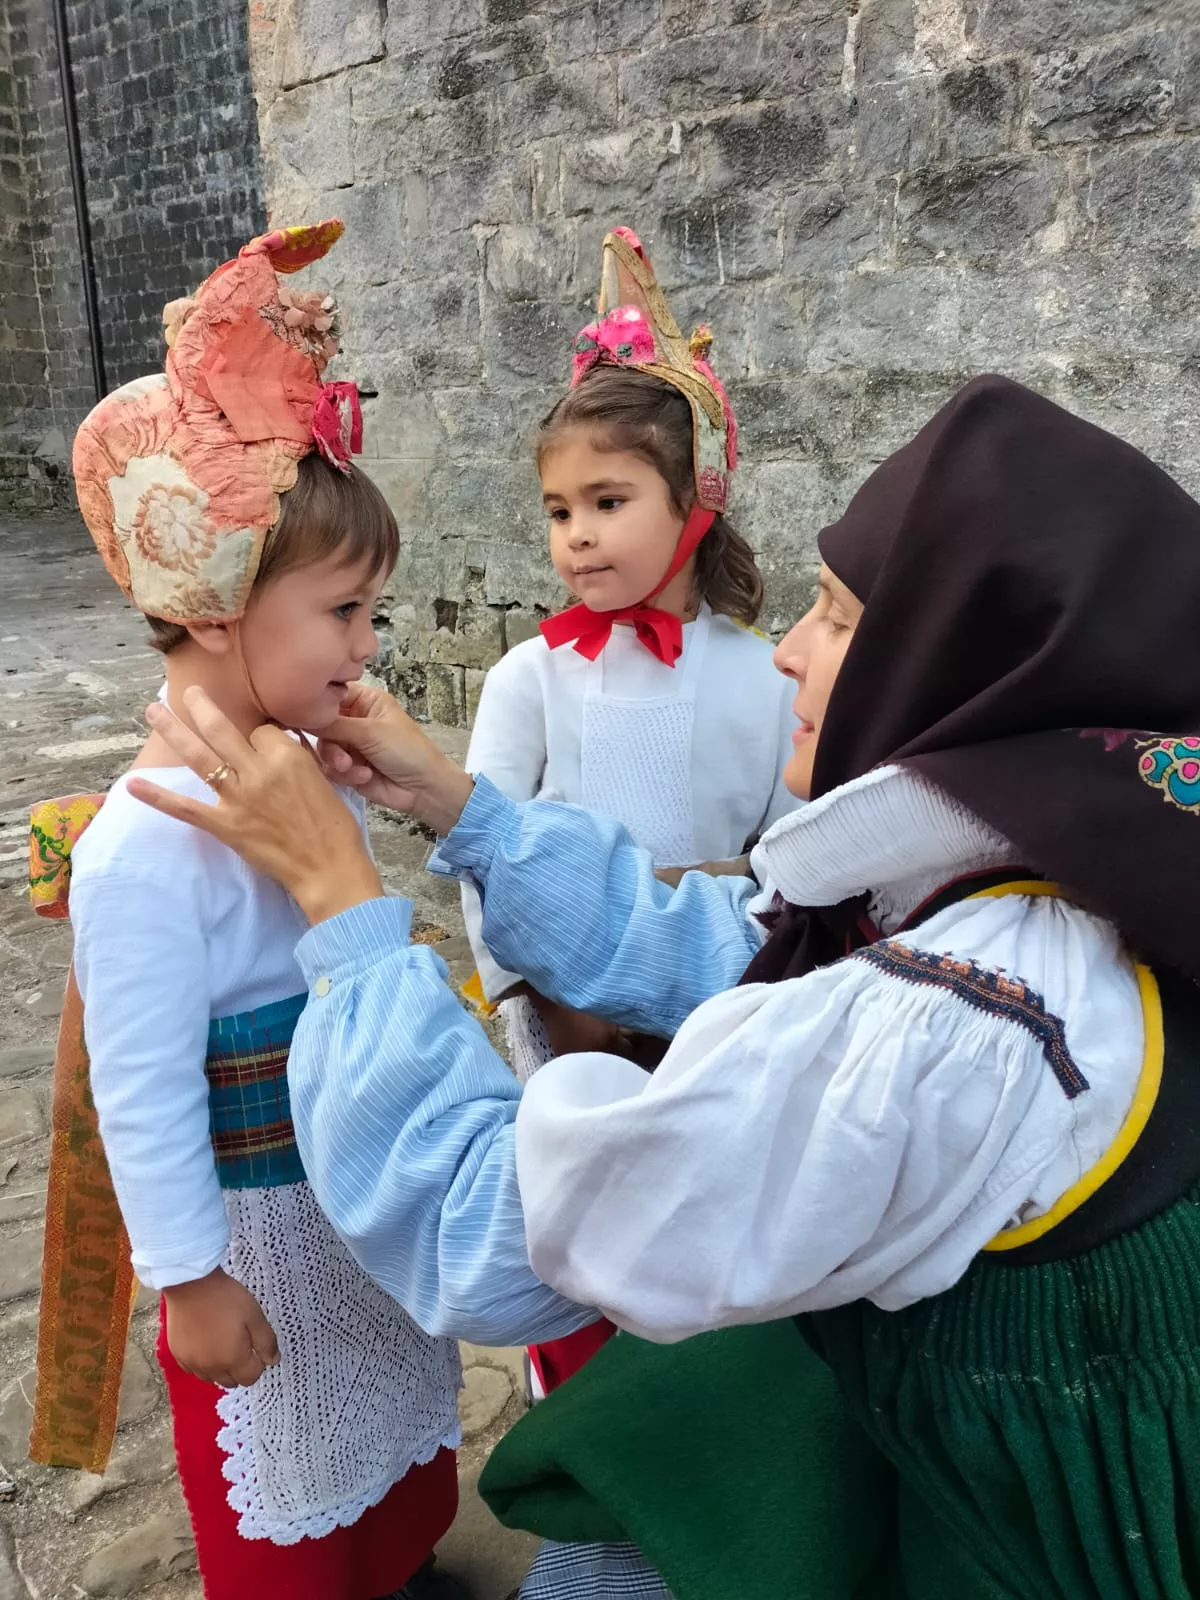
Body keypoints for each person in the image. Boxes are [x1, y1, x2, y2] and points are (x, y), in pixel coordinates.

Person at [129, 373, 1200, 1598]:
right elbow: (737, 948)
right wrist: (465, 810)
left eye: (844, 620)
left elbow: (507, 1234)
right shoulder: (1048, 867)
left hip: (1023, 1518)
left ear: (974, 665)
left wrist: (347, 915)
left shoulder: (958, 1023)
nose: (792, 649)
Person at [39, 222, 483, 1600]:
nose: (367, 646)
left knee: (394, 1452)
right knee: (287, 1477)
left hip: (364, 1201)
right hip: (261, 1234)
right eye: (346, 611)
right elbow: (144, 1084)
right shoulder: (139, 855)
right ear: (222, 605)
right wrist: (188, 1276)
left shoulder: (302, 768)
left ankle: (402, 1563)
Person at [460, 228, 796, 1420]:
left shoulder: (771, 681)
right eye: (559, 509)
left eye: (609, 500)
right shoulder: (527, 682)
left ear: (694, 499)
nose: (578, 536)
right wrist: (517, 1001)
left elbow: (789, 856)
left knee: (701, 1259)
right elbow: (477, 848)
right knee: (580, 1240)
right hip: (566, 1013)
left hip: (714, 1014)